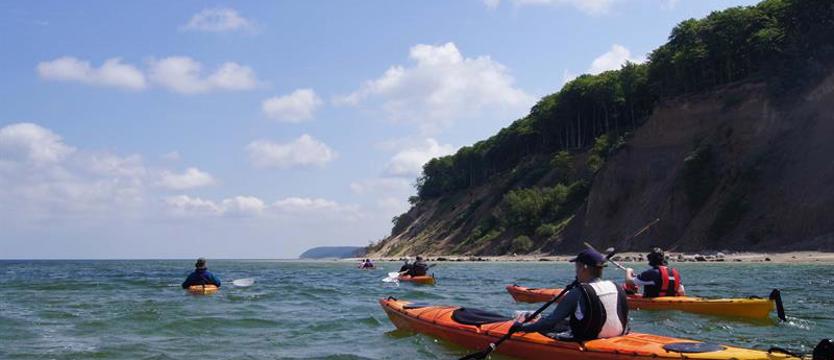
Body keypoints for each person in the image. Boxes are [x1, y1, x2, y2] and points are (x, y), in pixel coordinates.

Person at [509, 249, 628, 341]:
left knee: (546, 325)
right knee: (565, 322)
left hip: (588, 338)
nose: (575, 271)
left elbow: (550, 322)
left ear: (584, 268)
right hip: (617, 334)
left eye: (577, 267)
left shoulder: (577, 292)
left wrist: (522, 328)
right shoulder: (616, 287)